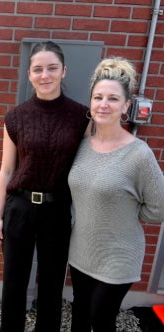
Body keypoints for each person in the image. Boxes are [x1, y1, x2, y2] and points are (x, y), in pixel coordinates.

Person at [0, 40, 90, 332]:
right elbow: (7, 169)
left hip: (57, 208)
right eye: (38, 69)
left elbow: (85, 170)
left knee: (51, 281)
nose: (44, 75)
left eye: (52, 68)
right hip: (19, 208)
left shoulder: (82, 116)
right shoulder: (15, 117)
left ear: (63, 71)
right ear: (29, 74)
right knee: (14, 282)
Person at [68, 57, 164, 332]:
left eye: (112, 98)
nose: (104, 104)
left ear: (126, 106)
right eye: (98, 97)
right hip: (81, 252)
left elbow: (159, 208)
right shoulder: (83, 144)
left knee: (101, 321)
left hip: (118, 257)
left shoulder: (139, 154)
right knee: (79, 318)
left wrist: (128, 213)